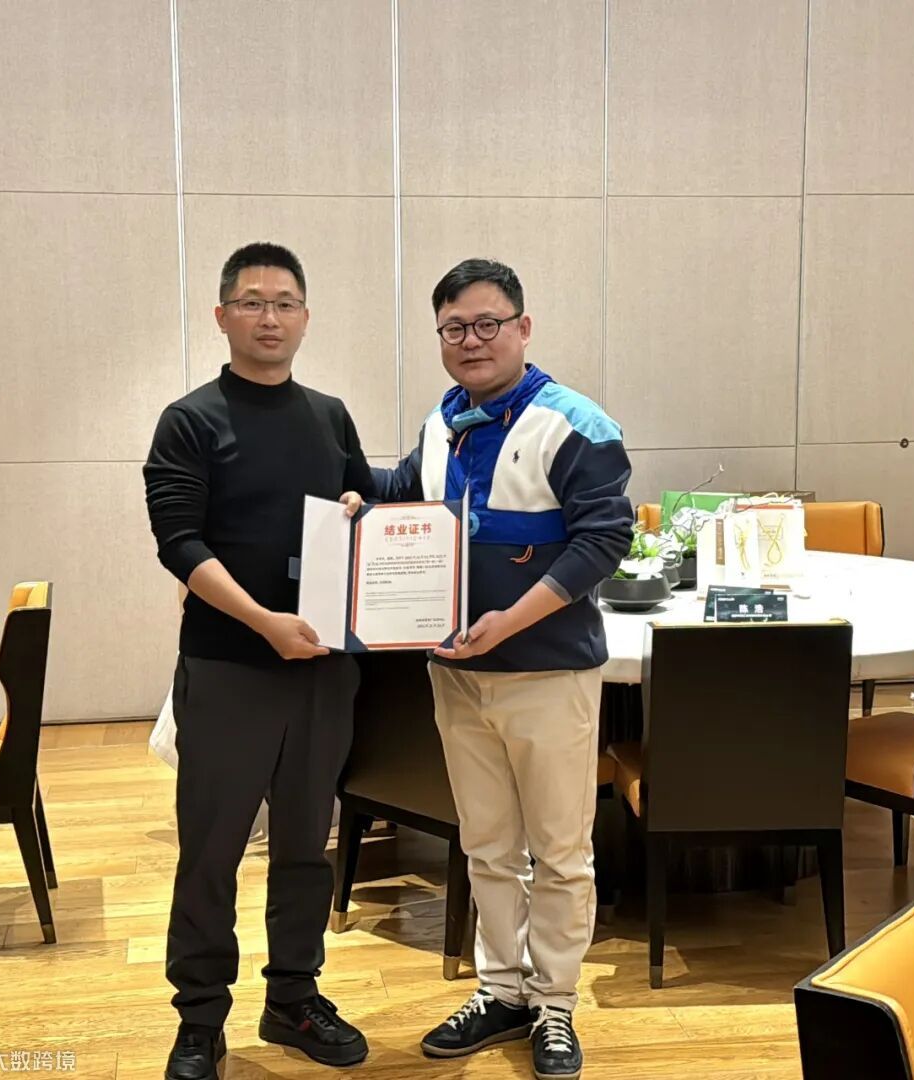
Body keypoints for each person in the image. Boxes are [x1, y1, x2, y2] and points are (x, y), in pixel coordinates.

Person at [372, 259, 633, 1080]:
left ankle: (554, 1005)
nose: (471, 340)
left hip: (547, 675)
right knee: (486, 845)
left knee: (560, 851)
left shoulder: (575, 424)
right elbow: (407, 495)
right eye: (454, 327)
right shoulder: (441, 422)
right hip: (455, 674)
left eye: (488, 324)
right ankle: (502, 990)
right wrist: (358, 503)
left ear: (523, 328)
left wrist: (508, 623)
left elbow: (605, 539)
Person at [144, 243, 374, 1080]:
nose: (268, 317)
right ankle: (200, 1018)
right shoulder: (190, 419)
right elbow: (180, 542)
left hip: (321, 669)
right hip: (228, 668)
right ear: (222, 316)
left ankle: (293, 998)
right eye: (251, 302)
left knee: (308, 847)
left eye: (284, 303)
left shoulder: (330, 415)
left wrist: (360, 505)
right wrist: (262, 621)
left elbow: (364, 508)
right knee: (212, 852)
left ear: (305, 318)